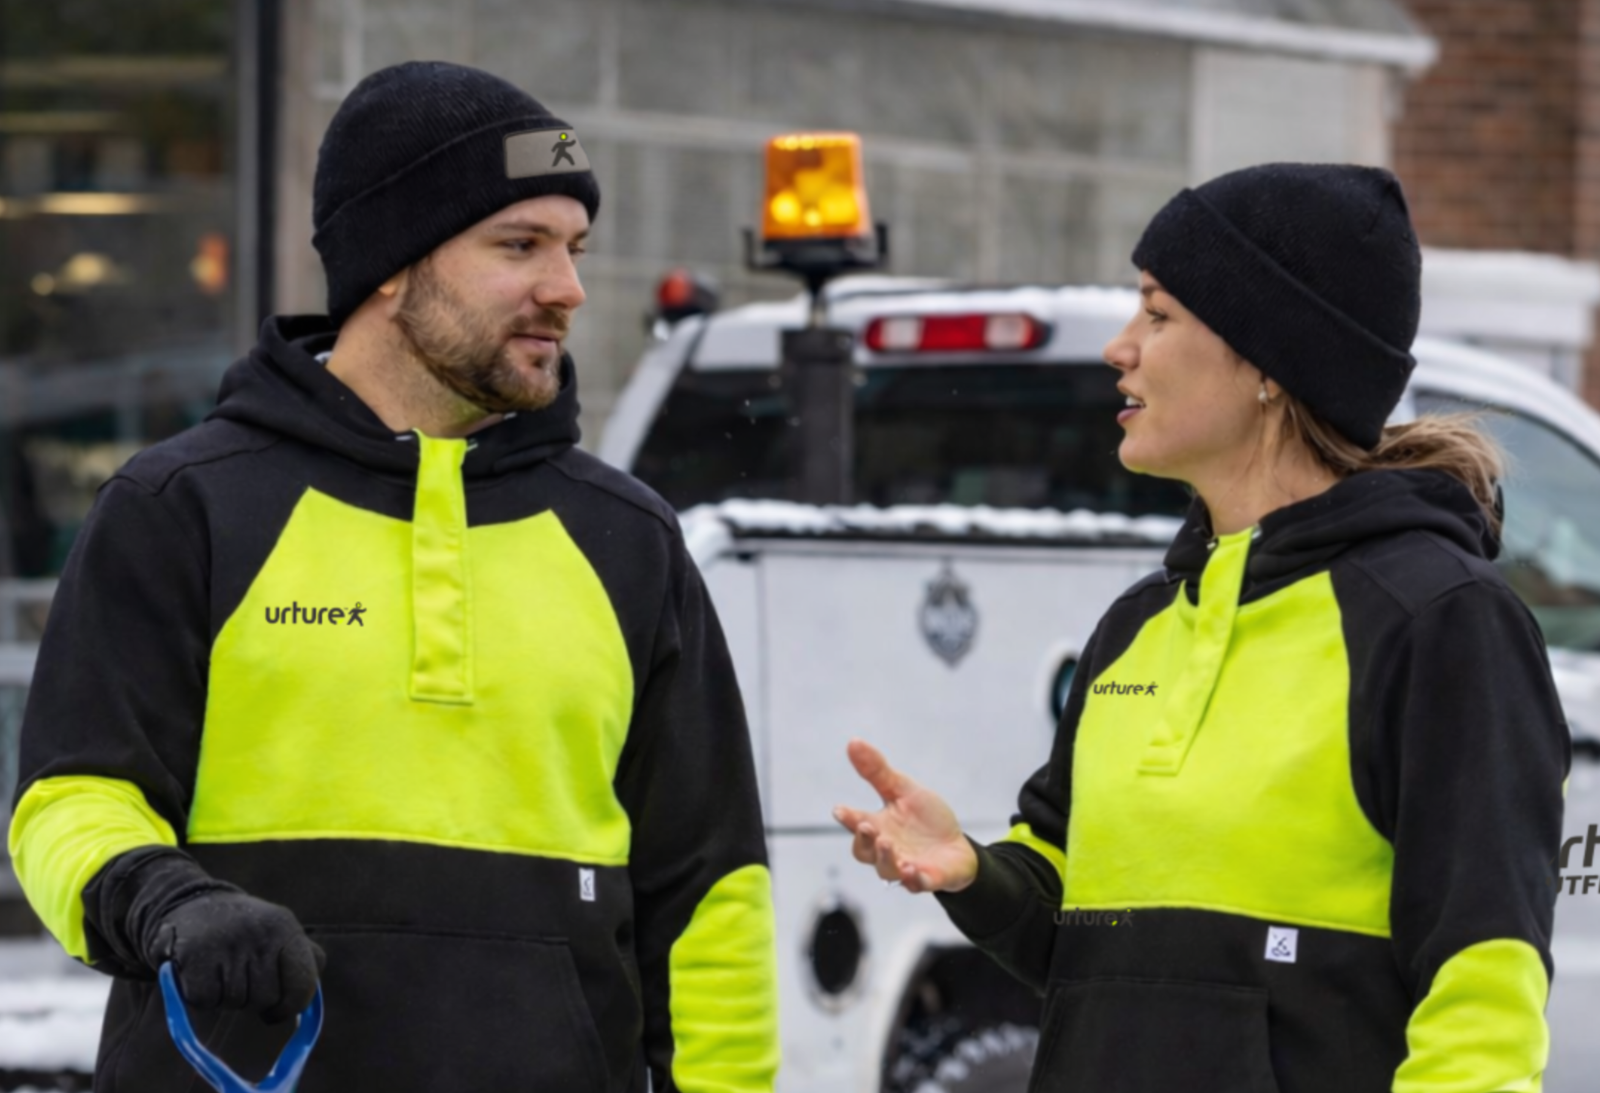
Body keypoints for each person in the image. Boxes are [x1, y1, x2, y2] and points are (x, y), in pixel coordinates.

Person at [8, 61, 778, 1093]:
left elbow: (711, 899)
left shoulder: (627, 541)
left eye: (573, 248)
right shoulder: (184, 506)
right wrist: (166, 899)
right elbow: (67, 801)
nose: (569, 287)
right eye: (520, 245)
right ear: (389, 262)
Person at [834, 163, 1569, 1092]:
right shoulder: (1140, 624)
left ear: (1269, 361)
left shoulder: (1439, 620)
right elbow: (1093, 954)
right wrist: (975, 873)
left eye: (1157, 313)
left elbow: (1484, 992)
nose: (1119, 347)